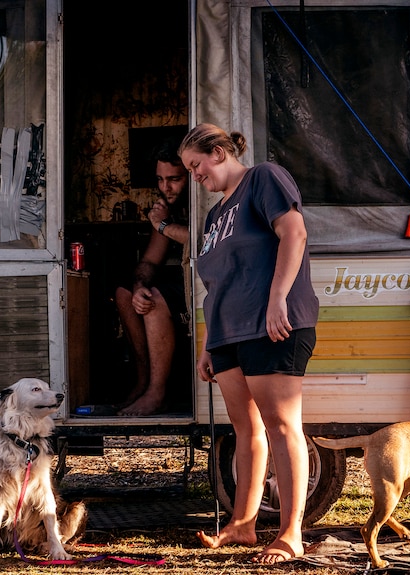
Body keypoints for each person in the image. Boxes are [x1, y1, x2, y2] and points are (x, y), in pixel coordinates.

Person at [179, 123, 319, 565]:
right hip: (227, 333)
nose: (194, 176)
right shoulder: (213, 216)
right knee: (246, 430)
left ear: (219, 152)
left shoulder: (264, 177)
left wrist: (278, 299)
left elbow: (293, 234)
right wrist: (207, 344)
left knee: (281, 426)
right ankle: (243, 525)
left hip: (270, 324)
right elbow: (214, 285)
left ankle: (291, 533)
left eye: (196, 165)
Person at [114, 140, 189, 416]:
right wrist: (138, 287)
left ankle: (158, 393)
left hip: (206, 284)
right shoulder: (166, 208)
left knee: (156, 301)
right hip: (177, 282)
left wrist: (164, 225)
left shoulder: (202, 202)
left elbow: (202, 240)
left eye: (174, 179)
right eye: (160, 179)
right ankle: (144, 381)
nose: (165, 187)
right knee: (125, 293)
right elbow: (149, 261)